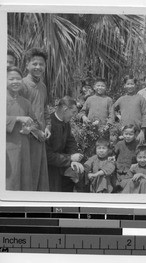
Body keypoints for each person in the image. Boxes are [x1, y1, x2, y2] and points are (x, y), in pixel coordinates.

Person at [6, 66, 43, 191]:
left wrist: (30, 128)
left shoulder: (26, 102)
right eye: (11, 79)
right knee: (9, 181)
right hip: (7, 148)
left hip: (24, 148)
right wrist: (17, 118)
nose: (15, 81)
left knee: (24, 181)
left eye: (18, 79)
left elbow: (34, 123)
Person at [21, 47, 51, 191]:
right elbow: (20, 113)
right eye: (34, 63)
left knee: (40, 178)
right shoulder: (20, 85)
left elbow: (45, 109)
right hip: (26, 138)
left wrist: (47, 128)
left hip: (41, 138)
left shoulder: (43, 86)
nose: (38, 67)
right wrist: (35, 131)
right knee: (28, 178)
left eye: (41, 64)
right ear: (27, 65)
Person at [46, 96, 84, 192]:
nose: (74, 116)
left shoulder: (65, 123)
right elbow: (47, 155)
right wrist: (70, 159)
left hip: (63, 162)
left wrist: (74, 158)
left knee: (82, 170)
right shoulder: (48, 124)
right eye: (73, 112)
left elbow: (70, 142)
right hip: (50, 168)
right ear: (65, 109)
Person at [114, 75, 146, 143]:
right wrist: (118, 118)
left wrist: (142, 132)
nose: (130, 86)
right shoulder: (121, 99)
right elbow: (112, 110)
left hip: (137, 132)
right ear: (124, 85)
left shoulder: (140, 98)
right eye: (128, 84)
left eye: (132, 84)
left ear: (135, 85)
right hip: (124, 133)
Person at [113, 124, 140, 191]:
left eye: (130, 134)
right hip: (118, 171)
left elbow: (140, 158)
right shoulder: (119, 144)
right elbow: (114, 154)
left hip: (130, 171)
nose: (128, 136)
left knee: (127, 187)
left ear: (135, 135)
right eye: (126, 134)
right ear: (123, 134)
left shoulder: (137, 145)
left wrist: (136, 165)